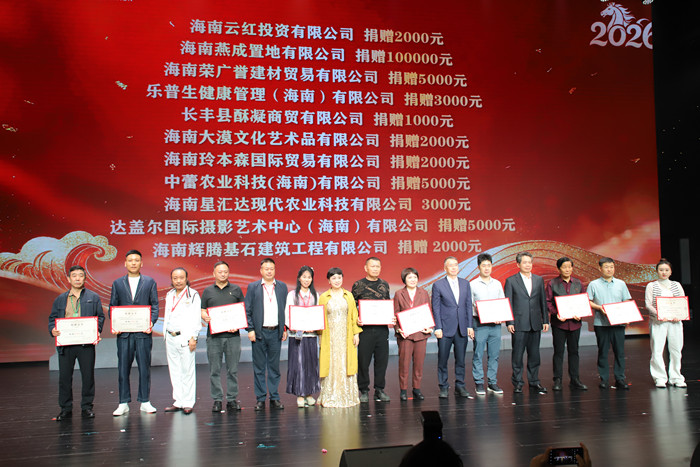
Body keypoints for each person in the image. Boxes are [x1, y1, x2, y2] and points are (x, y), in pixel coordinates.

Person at [48, 265, 105, 420]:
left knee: (88, 376)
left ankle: (87, 407)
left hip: (85, 344)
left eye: (80, 275)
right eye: (74, 275)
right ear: (69, 279)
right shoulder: (60, 299)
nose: (77, 278)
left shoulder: (93, 297)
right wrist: (52, 329)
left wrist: (97, 330)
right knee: (65, 378)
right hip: (66, 344)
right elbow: (52, 319)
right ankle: (65, 408)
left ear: (85, 278)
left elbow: (100, 317)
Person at [110, 250, 159, 416]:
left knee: (144, 368)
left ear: (141, 263)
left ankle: (145, 401)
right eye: (130, 260)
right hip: (124, 334)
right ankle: (123, 403)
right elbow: (113, 306)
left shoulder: (149, 282)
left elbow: (155, 305)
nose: (133, 263)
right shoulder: (117, 283)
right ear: (125, 263)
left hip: (143, 333)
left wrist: (151, 322)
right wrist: (115, 323)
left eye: (136, 260)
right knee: (123, 369)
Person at [201, 261, 245, 412]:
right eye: (220, 272)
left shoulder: (236, 289)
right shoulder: (207, 291)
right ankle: (217, 399)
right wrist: (204, 316)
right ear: (214, 273)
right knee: (215, 370)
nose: (223, 274)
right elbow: (202, 310)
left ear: (229, 273)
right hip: (214, 337)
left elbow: (242, 311)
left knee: (233, 370)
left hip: (233, 337)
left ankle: (232, 399)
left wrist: (238, 324)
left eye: (225, 271)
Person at [245, 258, 289, 410]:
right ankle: (261, 398)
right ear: (261, 271)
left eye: (271, 269)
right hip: (259, 333)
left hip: (276, 332)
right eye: (266, 269)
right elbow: (247, 310)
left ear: (275, 270)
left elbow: (285, 310)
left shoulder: (282, 287)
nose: (269, 271)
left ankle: (274, 397)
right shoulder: (253, 287)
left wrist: (285, 329)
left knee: (274, 367)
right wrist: (250, 329)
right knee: (259, 367)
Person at [504, 251, 549, 394]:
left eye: (529, 262)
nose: (528, 265)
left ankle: (534, 381)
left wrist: (545, 320)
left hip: (535, 322)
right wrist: (510, 322)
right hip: (518, 323)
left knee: (534, 355)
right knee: (517, 355)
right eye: (524, 262)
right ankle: (518, 382)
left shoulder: (538, 280)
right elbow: (508, 302)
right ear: (518, 264)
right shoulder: (511, 281)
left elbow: (542, 300)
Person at [317, 267, 362, 407]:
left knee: (346, 362)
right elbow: (320, 318)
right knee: (331, 363)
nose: (337, 280)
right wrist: (319, 336)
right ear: (329, 281)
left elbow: (354, 315)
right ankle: (330, 395)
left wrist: (356, 333)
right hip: (329, 337)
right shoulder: (324, 297)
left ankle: (347, 395)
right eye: (334, 278)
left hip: (346, 336)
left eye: (339, 278)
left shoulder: (348, 295)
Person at [431, 256, 474, 399]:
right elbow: (436, 307)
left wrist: (469, 325)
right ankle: (443, 387)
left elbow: (468, 305)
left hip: (462, 327)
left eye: (456, 264)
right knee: (443, 359)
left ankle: (460, 386)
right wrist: (438, 327)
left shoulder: (465, 283)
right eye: (451, 265)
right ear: (445, 268)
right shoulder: (438, 285)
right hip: (445, 328)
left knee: (461, 359)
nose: (454, 267)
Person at [587, 257, 633, 390]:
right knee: (603, 351)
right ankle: (604, 379)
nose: (609, 269)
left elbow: (626, 300)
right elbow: (588, 301)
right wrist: (599, 307)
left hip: (618, 323)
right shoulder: (593, 284)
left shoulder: (621, 284)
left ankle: (620, 378)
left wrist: (627, 315)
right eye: (606, 267)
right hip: (601, 323)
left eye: (611, 267)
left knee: (619, 352)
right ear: (600, 268)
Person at [351, 256, 392, 402]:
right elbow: (353, 307)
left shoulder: (384, 284)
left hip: (382, 330)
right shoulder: (358, 285)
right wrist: (357, 319)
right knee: (363, 361)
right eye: (372, 266)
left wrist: (391, 317)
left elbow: (387, 305)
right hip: (365, 330)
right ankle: (363, 390)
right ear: (366, 268)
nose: (375, 269)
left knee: (381, 361)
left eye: (378, 266)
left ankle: (379, 389)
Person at [163, 267, 201, 415]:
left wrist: (194, 337)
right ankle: (178, 401)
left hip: (185, 337)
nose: (178, 281)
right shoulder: (169, 294)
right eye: (175, 278)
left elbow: (196, 318)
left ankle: (188, 402)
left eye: (181, 278)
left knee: (187, 371)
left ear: (186, 278)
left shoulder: (193, 295)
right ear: (171, 280)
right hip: (170, 336)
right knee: (175, 370)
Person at [546, 257, 588, 391]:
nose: (567, 269)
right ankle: (557, 380)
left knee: (574, 351)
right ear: (559, 269)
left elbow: (583, 301)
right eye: (564, 267)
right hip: (559, 324)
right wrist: (556, 313)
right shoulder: (552, 283)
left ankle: (575, 379)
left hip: (575, 323)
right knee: (558, 352)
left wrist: (581, 313)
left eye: (569, 267)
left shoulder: (578, 283)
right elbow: (548, 302)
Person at [645, 258, 686, 388]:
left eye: (666, 270)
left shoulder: (676, 285)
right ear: (657, 271)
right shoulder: (652, 285)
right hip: (658, 322)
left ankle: (676, 377)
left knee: (676, 350)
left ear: (671, 271)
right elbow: (648, 304)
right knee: (657, 350)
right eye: (661, 270)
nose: (664, 272)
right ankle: (660, 377)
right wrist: (659, 314)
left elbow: (682, 302)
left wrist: (679, 314)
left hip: (675, 322)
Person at [393, 267, 432, 401]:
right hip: (405, 335)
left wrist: (430, 327)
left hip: (421, 334)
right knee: (404, 364)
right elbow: (395, 313)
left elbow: (429, 311)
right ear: (404, 279)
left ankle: (417, 389)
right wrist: (398, 329)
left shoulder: (424, 293)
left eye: (415, 277)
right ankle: (403, 390)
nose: (413, 280)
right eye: (409, 277)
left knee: (419, 364)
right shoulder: (399, 294)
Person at [469, 253, 505, 395]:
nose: (486, 268)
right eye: (483, 265)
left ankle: (492, 382)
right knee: (478, 354)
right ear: (479, 267)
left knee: (494, 354)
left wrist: (500, 316)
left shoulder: (497, 283)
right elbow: (469, 306)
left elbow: (502, 302)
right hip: (479, 324)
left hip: (495, 325)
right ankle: (479, 383)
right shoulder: (472, 284)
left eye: (489, 265)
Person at [285, 265, 321, 408]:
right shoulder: (292, 295)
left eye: (309, 277)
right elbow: (287, 314)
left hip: (311, 335)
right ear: (299, 278)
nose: (306, 280)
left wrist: (316, 326)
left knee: (311, 364)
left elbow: (318, 314)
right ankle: (300, 395)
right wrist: (292, 325)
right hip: (297, 335)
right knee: (298, 364)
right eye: (304, 277)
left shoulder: (315, 295)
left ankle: (309, 394)